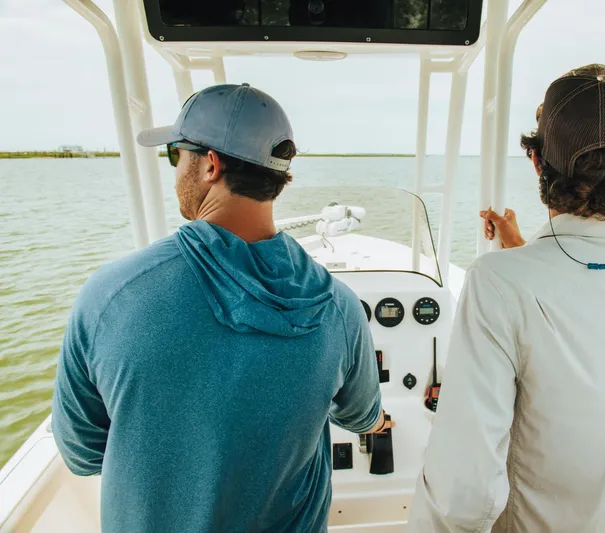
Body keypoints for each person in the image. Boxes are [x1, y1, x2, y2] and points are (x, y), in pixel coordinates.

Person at [51, 83, 392, 533]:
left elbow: (82, 453)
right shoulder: (339, 309)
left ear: (210, 164)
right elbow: (362, 416)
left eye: (176, 155)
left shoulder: (111, 296)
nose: (175, 172)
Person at [407, 64, 605, 532]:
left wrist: (516, 259)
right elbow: (589, 300)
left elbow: (464, 490)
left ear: (539, 162)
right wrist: (520, 249)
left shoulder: (497, 283)